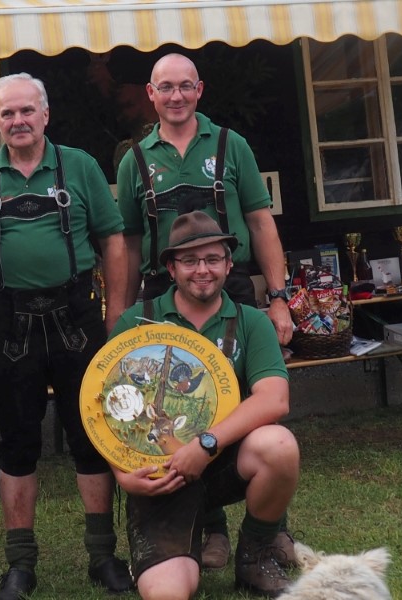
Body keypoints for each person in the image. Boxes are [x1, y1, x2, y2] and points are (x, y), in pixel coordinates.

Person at [0, 73, 132, 599]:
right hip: (9, 322)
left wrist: (117, 315)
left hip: (76, 316)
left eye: (27, 111)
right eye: (8, 114)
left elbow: (112, 240)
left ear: (45, 115)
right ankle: (20, 564)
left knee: (93, 437)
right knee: (15, 443)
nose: (19, 121)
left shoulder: (80, 166)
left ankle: (103, 557)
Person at [116, 52, 295, 569]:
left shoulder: (230, 145)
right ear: (151, 94)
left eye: (185, 86)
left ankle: (270, 531)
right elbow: (129, 243)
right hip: (162, 290)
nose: (176, 96)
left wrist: (278, 297)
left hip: (227, 283)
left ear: (199, 90)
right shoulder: (134, 159)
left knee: (247, 402)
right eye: (166, 87)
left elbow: (260, 222)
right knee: (178, 403)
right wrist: (121, 315)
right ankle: (210, 526)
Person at [109, 211, 300, 599]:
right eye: (190, 260)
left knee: (278, 445)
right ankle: (193, 538)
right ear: (171, 268)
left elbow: (275, 398)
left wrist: (206, 444)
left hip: (223, 459)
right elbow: (107, 409)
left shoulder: (250, 321)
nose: (202, 270)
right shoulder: (136, 322)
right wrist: (123, 476)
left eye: (213, 259)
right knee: (167, 594)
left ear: (229, 264)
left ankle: (256, 553)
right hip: (161, 475)